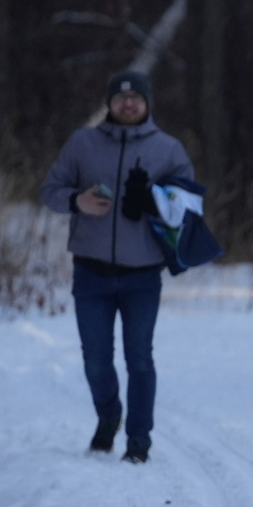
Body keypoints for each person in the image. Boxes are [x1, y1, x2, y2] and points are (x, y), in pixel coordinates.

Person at [39, 70, 197, 463]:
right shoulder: (83, 143)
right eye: (121, 98)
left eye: (136, 98)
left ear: (147, 103)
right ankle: (109, 415)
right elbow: (50, 191)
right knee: (96, 360)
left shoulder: (168, 149)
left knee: (139, 359)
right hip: (91, 272)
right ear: (109, 103)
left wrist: (154, 200)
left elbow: (189, 209)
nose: (128, 104)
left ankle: (139, 441)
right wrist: (77, 201)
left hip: (142, 274)